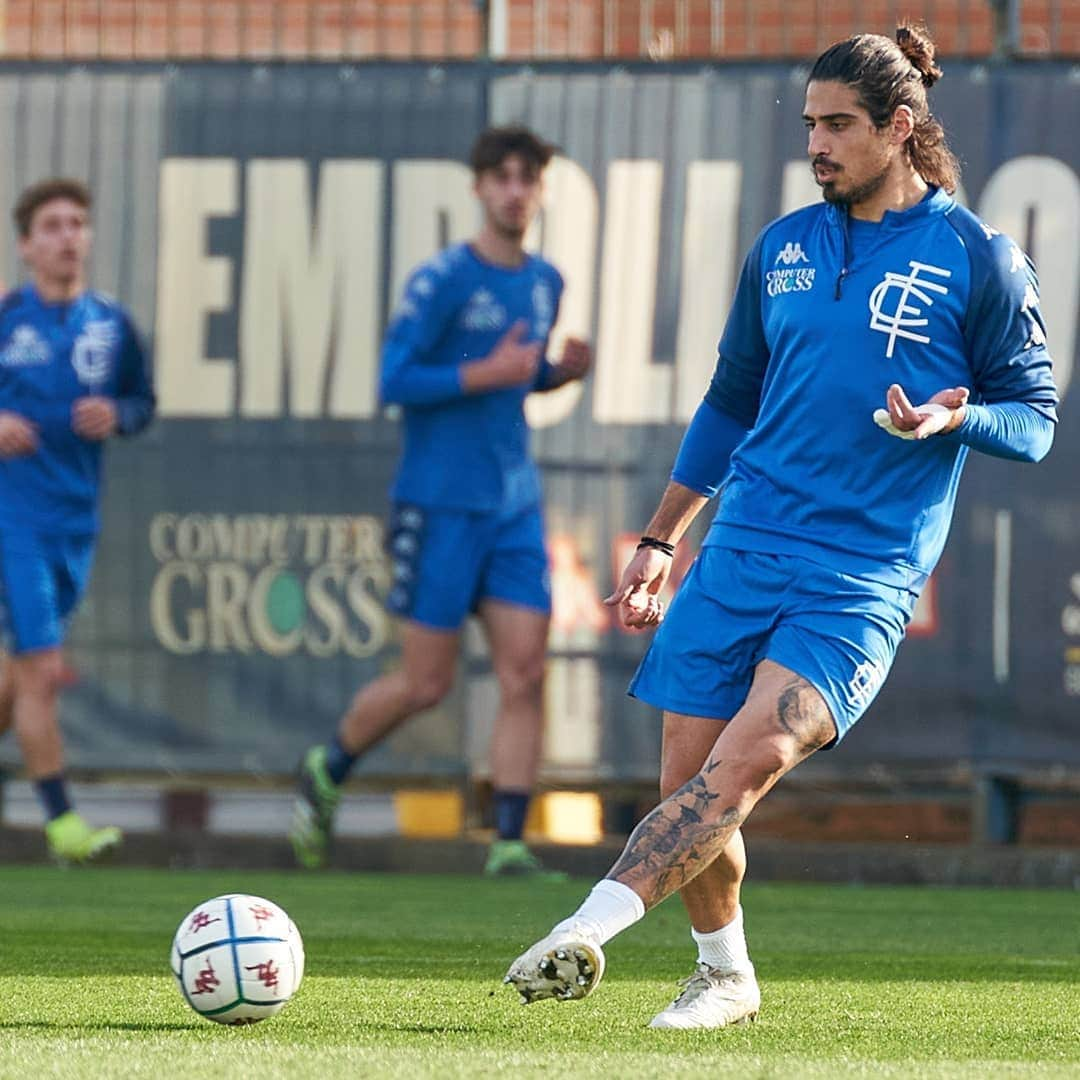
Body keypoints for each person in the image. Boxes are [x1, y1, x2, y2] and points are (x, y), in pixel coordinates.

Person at [505, 25, 1058, 1027]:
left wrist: (956, 417)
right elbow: (728, 403)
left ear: (900, 128)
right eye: (809, 125)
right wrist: (662, 538)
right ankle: (724, 973)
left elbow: (1036, 418)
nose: (817, 144)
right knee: (687, 780)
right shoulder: (785, 248)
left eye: (838, 125)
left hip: (860, 577)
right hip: (741, 550)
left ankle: (584, 929)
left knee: (744, 766)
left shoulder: (978, 258)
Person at [290, 126, 592, 876]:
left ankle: (510, 845)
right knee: (427, 684)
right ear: (480, 189)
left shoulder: (546, 279)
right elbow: (396, 381)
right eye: (503, 178)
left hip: (512, 506)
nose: (517, 191)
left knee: (526, 672)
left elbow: (518, 378)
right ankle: (327, 768)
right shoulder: (443, 281)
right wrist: (485, 373)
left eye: (530, 179)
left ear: (540, 192)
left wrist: (555, 374)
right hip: (439, 504)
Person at [0, 178, 155, 863]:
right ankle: (64, 826)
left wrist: (118, 415)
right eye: (54, 225)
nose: (70, 236)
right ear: (27, 244)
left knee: (14, 678)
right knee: (39, 671)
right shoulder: (7, 319)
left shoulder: (113, 325)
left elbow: (142, 401)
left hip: (74, 524)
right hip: (14, 520)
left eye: (78, 224)